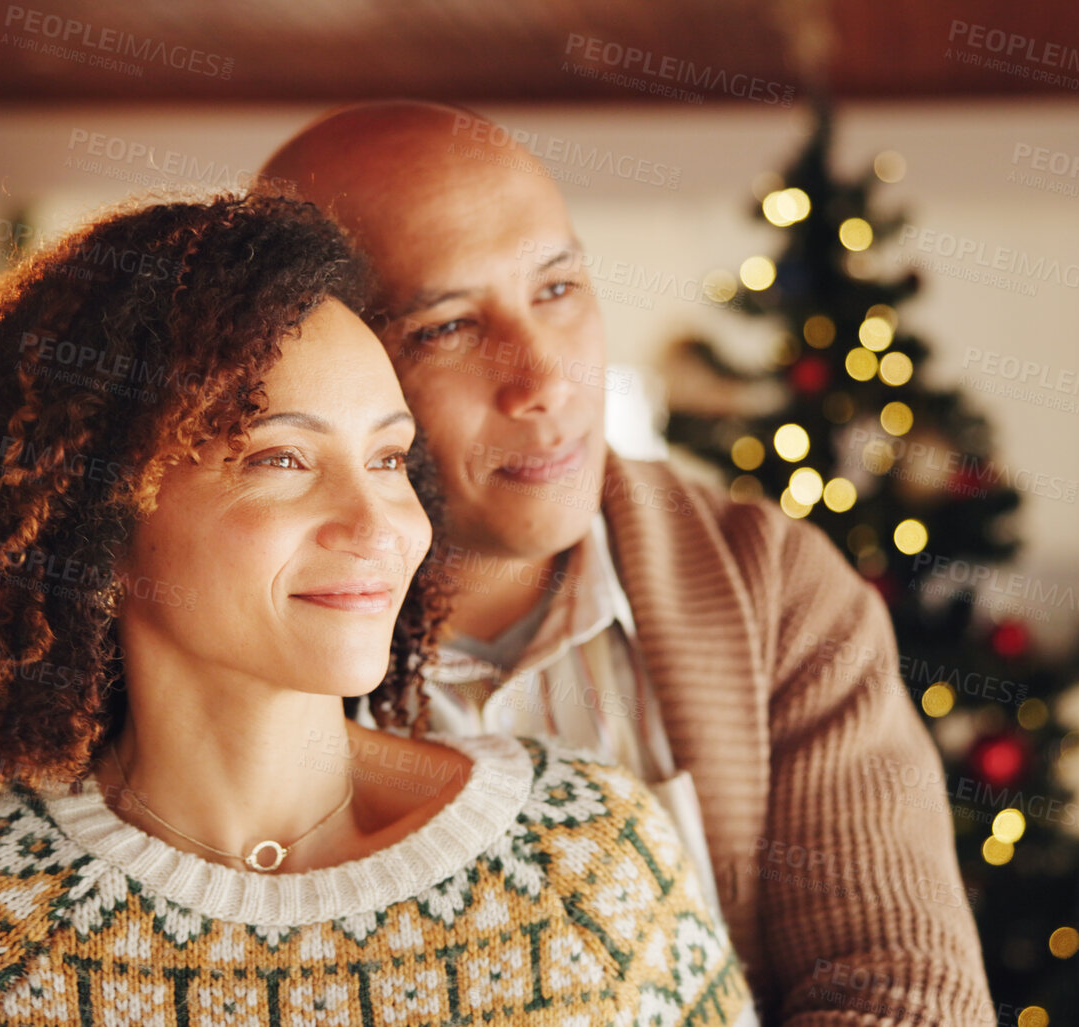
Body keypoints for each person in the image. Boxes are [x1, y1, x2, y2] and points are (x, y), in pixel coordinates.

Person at [0, 191, 756, 1026]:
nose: (380, 523)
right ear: (93, 520)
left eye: (389, 458)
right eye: (281, 460)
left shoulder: (593, 863)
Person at [262, 103, 996, 1025]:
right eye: (446, 326)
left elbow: (904, 993)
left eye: (558, 287)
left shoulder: (775, 593)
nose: (544, 380)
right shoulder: (234, 627)